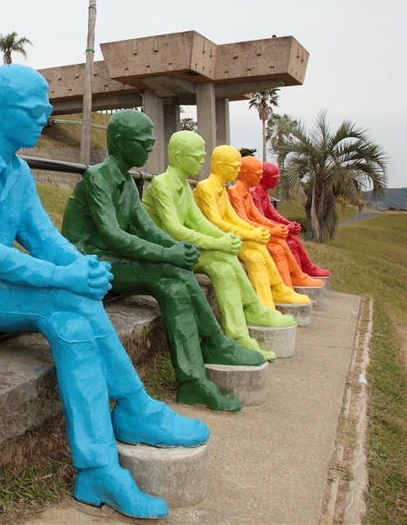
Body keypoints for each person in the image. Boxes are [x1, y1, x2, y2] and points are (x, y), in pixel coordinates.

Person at [0, 65, 208, 520]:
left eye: (47, 108)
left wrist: (81, 266)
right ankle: (134, 409)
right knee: (66, 297)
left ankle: (97, 470)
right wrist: (66, 278)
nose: (45, 116)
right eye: (34, 109)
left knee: (71, 321)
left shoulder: (19, 171)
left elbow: (44, 238)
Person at [60, 110, 264, 412]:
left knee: (174, 287)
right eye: (143, 142)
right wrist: (170, 254)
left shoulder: (126, 181)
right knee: (170, 269)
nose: (150, 147)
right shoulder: (97, 177)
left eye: (151, 142)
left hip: (110, 258)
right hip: (88, 260)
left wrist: (177, 247)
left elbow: (146, 228)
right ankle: (215, 343)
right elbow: (113, 235)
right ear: (120, 142)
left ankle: (193, 381)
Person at [141, 132, 294, 360]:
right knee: (223, 258)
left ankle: (240, 333)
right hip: (165, 253)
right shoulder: (162, 183)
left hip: (181, 250)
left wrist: (224, 239)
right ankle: (248, 318)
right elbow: (175, 229)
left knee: (224, 266)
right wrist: (218, 241)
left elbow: (198, 222)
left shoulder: (183, 185)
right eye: (197, 156)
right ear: (180, 156)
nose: (203, 160)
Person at [192, 146, 312, 312]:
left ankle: (275, 292)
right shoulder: (206, 187)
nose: (238, 170)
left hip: (226, 236)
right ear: (220, 166)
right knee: (256, 255)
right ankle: (264, 305)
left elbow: (233, 218)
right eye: (235, 166)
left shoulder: (221, 189)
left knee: (258, 249)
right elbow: (216, 222)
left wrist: (258, 232)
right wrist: (252, 233)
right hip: (216, 240)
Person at [228, 156, 324, 289]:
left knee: (280, 244)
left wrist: (282, 226)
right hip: (246, 235)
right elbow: (243, 221)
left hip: (256, 232)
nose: (260, 177)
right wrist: (275, 230)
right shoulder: (235, 192)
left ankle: (292, 281)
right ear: (244, 174)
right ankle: (293, 278)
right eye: (258, 174)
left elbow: (260, 216)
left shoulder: (247, 193)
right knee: (281, 243)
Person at [250, 162, 330, 277]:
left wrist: (289, 224)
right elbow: (260, 219)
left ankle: (304, 268)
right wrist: (286, 227)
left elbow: (273, 214)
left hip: (270, 229)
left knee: (292, 238)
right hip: (262, 231)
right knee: (290, 240)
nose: (277, 181)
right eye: (274, 178)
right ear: (263, 177)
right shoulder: (255, 193)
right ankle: (300, 271)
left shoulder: (264, 193)